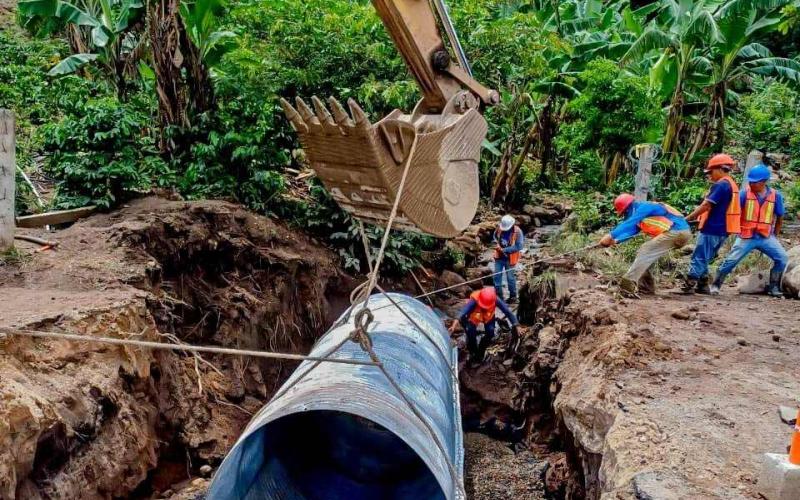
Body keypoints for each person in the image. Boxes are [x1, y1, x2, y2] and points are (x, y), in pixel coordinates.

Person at [711, 164, 788, 296]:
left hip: (765, 236)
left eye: (754, 182)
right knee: (731, 260)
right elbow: (734, 213)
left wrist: (774, 236)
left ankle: (774, 287)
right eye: (750, 181)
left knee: (782, 258)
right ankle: (715, 285)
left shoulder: (776, 196)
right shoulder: (744, 194)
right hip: (746, 236)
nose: (751, 184)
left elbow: (779, 217)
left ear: (763, 182)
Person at [599, 194, 691, 297]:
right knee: (645, 254)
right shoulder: (641, 216)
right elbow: (632, 230)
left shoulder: (645, 207)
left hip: (678, 231)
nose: (625, 216)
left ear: (629, 208)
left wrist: (610, 235)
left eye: (625, 213)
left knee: (645, 250)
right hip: (678, 233)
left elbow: (630, 222)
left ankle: (627, 286)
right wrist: (616, 240)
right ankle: (646, 287)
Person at [681, 154, 741, 294]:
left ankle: (690, 284)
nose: (709, 176)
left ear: (720, 169)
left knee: (700, 255)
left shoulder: (721, 185)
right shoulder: (731, 184)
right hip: (723, 229)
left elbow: (706, 206)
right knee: (706, 256)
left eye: (711, 172)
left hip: (712, 227)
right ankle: (703, 285)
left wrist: (687, 218)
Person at [449, 286, 519, 364]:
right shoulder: (475, 299)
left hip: (488, 317)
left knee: (490, 332)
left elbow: (507, 311)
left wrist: (516, 325)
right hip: (474, 316)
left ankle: (481, 352)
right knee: (470, 332)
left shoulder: (495, 299)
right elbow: (464, 311)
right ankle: (473, 351)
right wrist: (455, 324)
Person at [493, 215, 524, 304]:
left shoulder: (518, 232)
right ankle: (499, 298)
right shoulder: (499, 228)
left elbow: (519, 246)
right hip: (499, 257)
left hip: (510, 259)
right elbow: (494, 236)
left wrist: (505, 250)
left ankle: (513, 297)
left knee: (510, 278)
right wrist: (496, 244)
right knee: (497, 277)